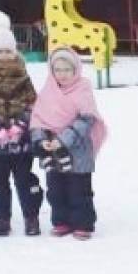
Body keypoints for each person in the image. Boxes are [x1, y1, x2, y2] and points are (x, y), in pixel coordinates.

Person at [0, 18, 43, 237]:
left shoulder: (23, 77)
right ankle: (2, 218)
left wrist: (20, 126)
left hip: (21, 142)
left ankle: (31, 217)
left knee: (26, 179)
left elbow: (33, 103)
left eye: (7, 50)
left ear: (14, 52)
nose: (3, 55)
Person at [31, 48, 107, 241]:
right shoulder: (48, 91)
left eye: (67, 69)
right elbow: (37, 118)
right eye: (57, 69)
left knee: (79, 189)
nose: (62, 74)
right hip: (52, 152)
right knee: (55, 188)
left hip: (77, 150)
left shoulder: (83, 89)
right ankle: (61, 220)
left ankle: (82, 223)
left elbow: (87, 118)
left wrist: (63, 139)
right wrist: (42, 140)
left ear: (76, 70)